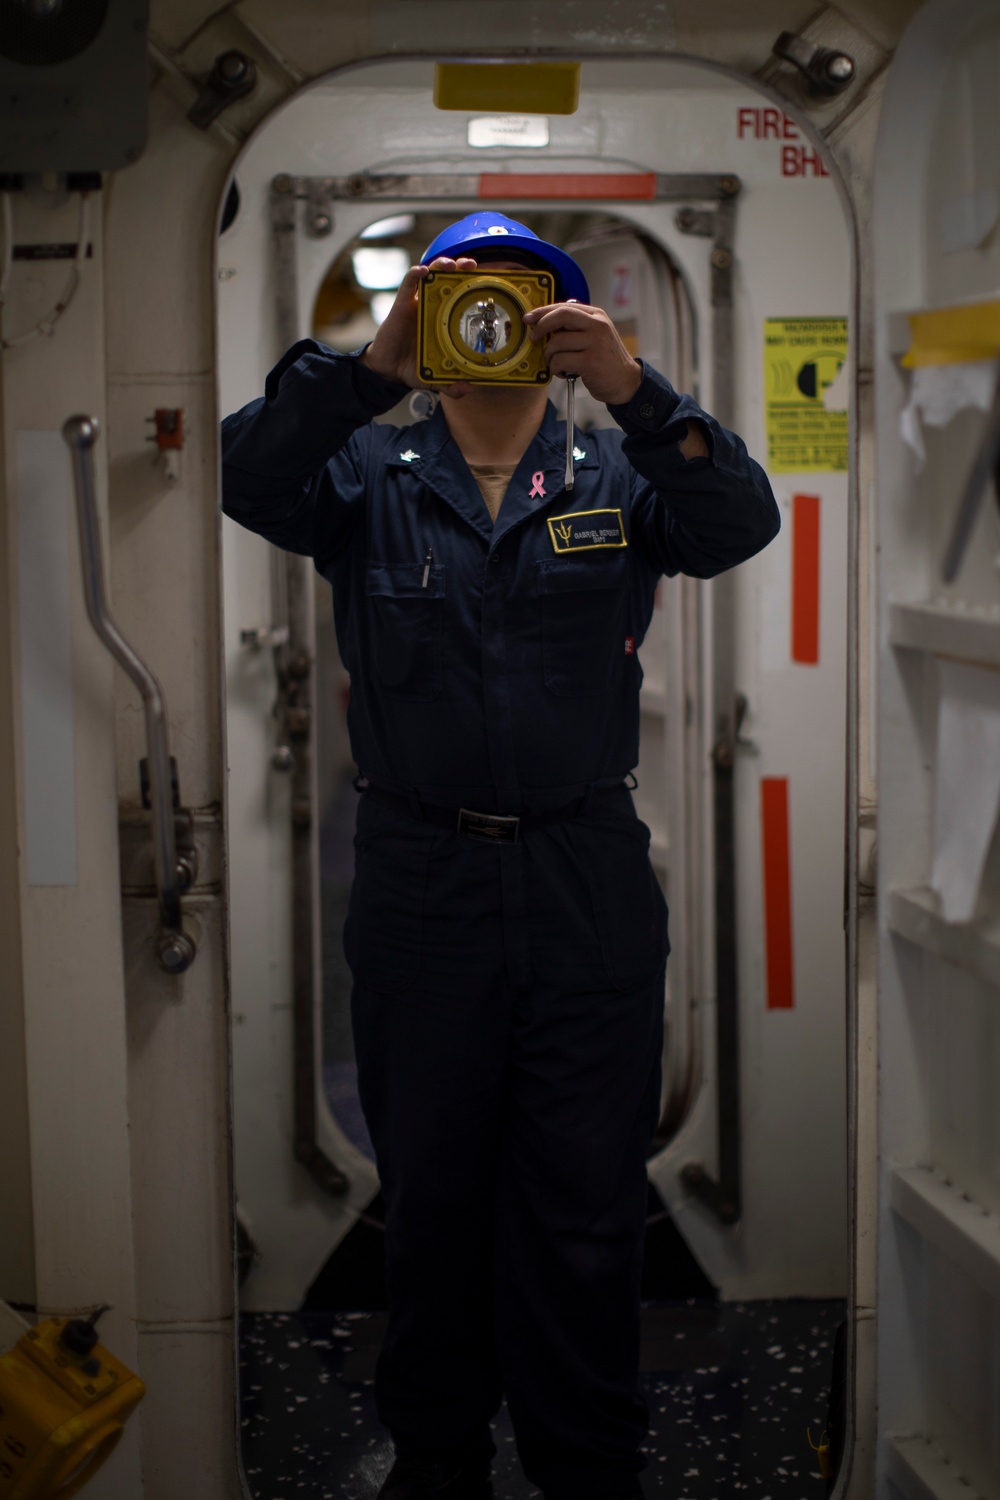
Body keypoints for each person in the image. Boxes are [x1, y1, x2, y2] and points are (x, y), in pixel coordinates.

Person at [221, 211, 779, 1500]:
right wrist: (368, 363)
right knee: (432, 1203)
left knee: (586, 1207)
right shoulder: (366, 467)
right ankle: (436, 1462)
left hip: (584, 877)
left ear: (560, 323)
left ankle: (590, 1465)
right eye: (461, 302)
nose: (488, 327)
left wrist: (637, 387)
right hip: (421, 883)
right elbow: (247, 478)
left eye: (519, 304)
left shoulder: (615, 467)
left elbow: (738, 522)